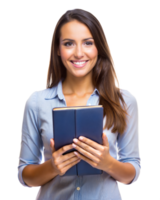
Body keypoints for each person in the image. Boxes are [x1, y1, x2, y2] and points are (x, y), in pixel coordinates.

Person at [16, 8, 142, 200]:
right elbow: (24, 175)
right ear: (58, 49)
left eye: (88, 43)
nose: (79, 53)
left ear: (98, 47)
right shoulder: (36, 102)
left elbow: (133, 171)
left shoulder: (125, 101)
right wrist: (52, 167)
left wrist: (108, 163)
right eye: (68, 44)